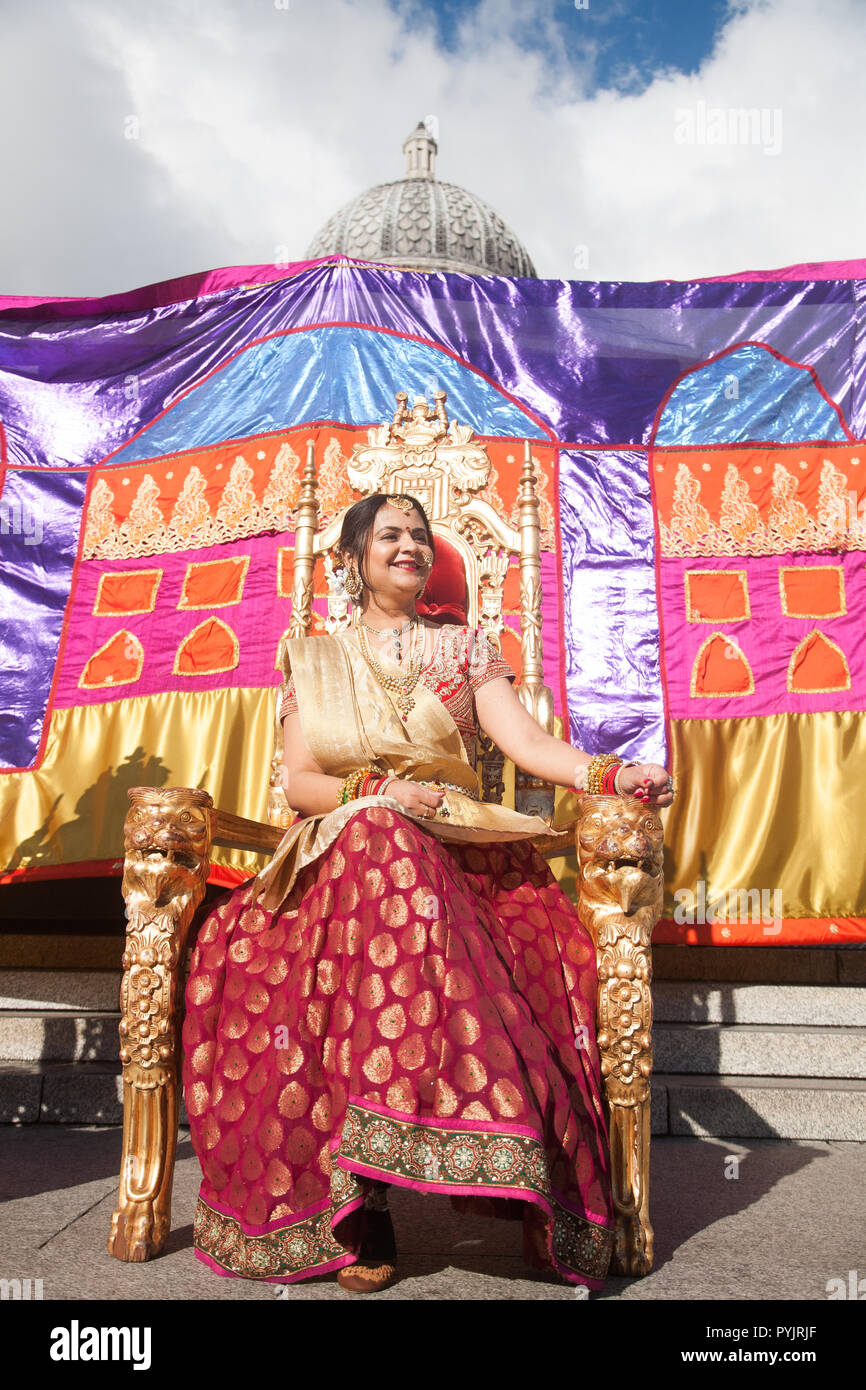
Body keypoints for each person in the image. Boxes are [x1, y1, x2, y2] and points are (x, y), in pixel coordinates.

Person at [181, 492, 673, 1295]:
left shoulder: (467, 647)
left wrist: (611, 774)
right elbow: (301, 782)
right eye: (389, 535)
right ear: (351, 560)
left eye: (418, 535)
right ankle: (362, 1192)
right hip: (344, 855)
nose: (409, 545)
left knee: (397, 847)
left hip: (461, 861)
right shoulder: (316, 657)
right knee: (379, 836)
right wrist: (376, 791)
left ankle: (380, 1178)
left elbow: (525, 743)